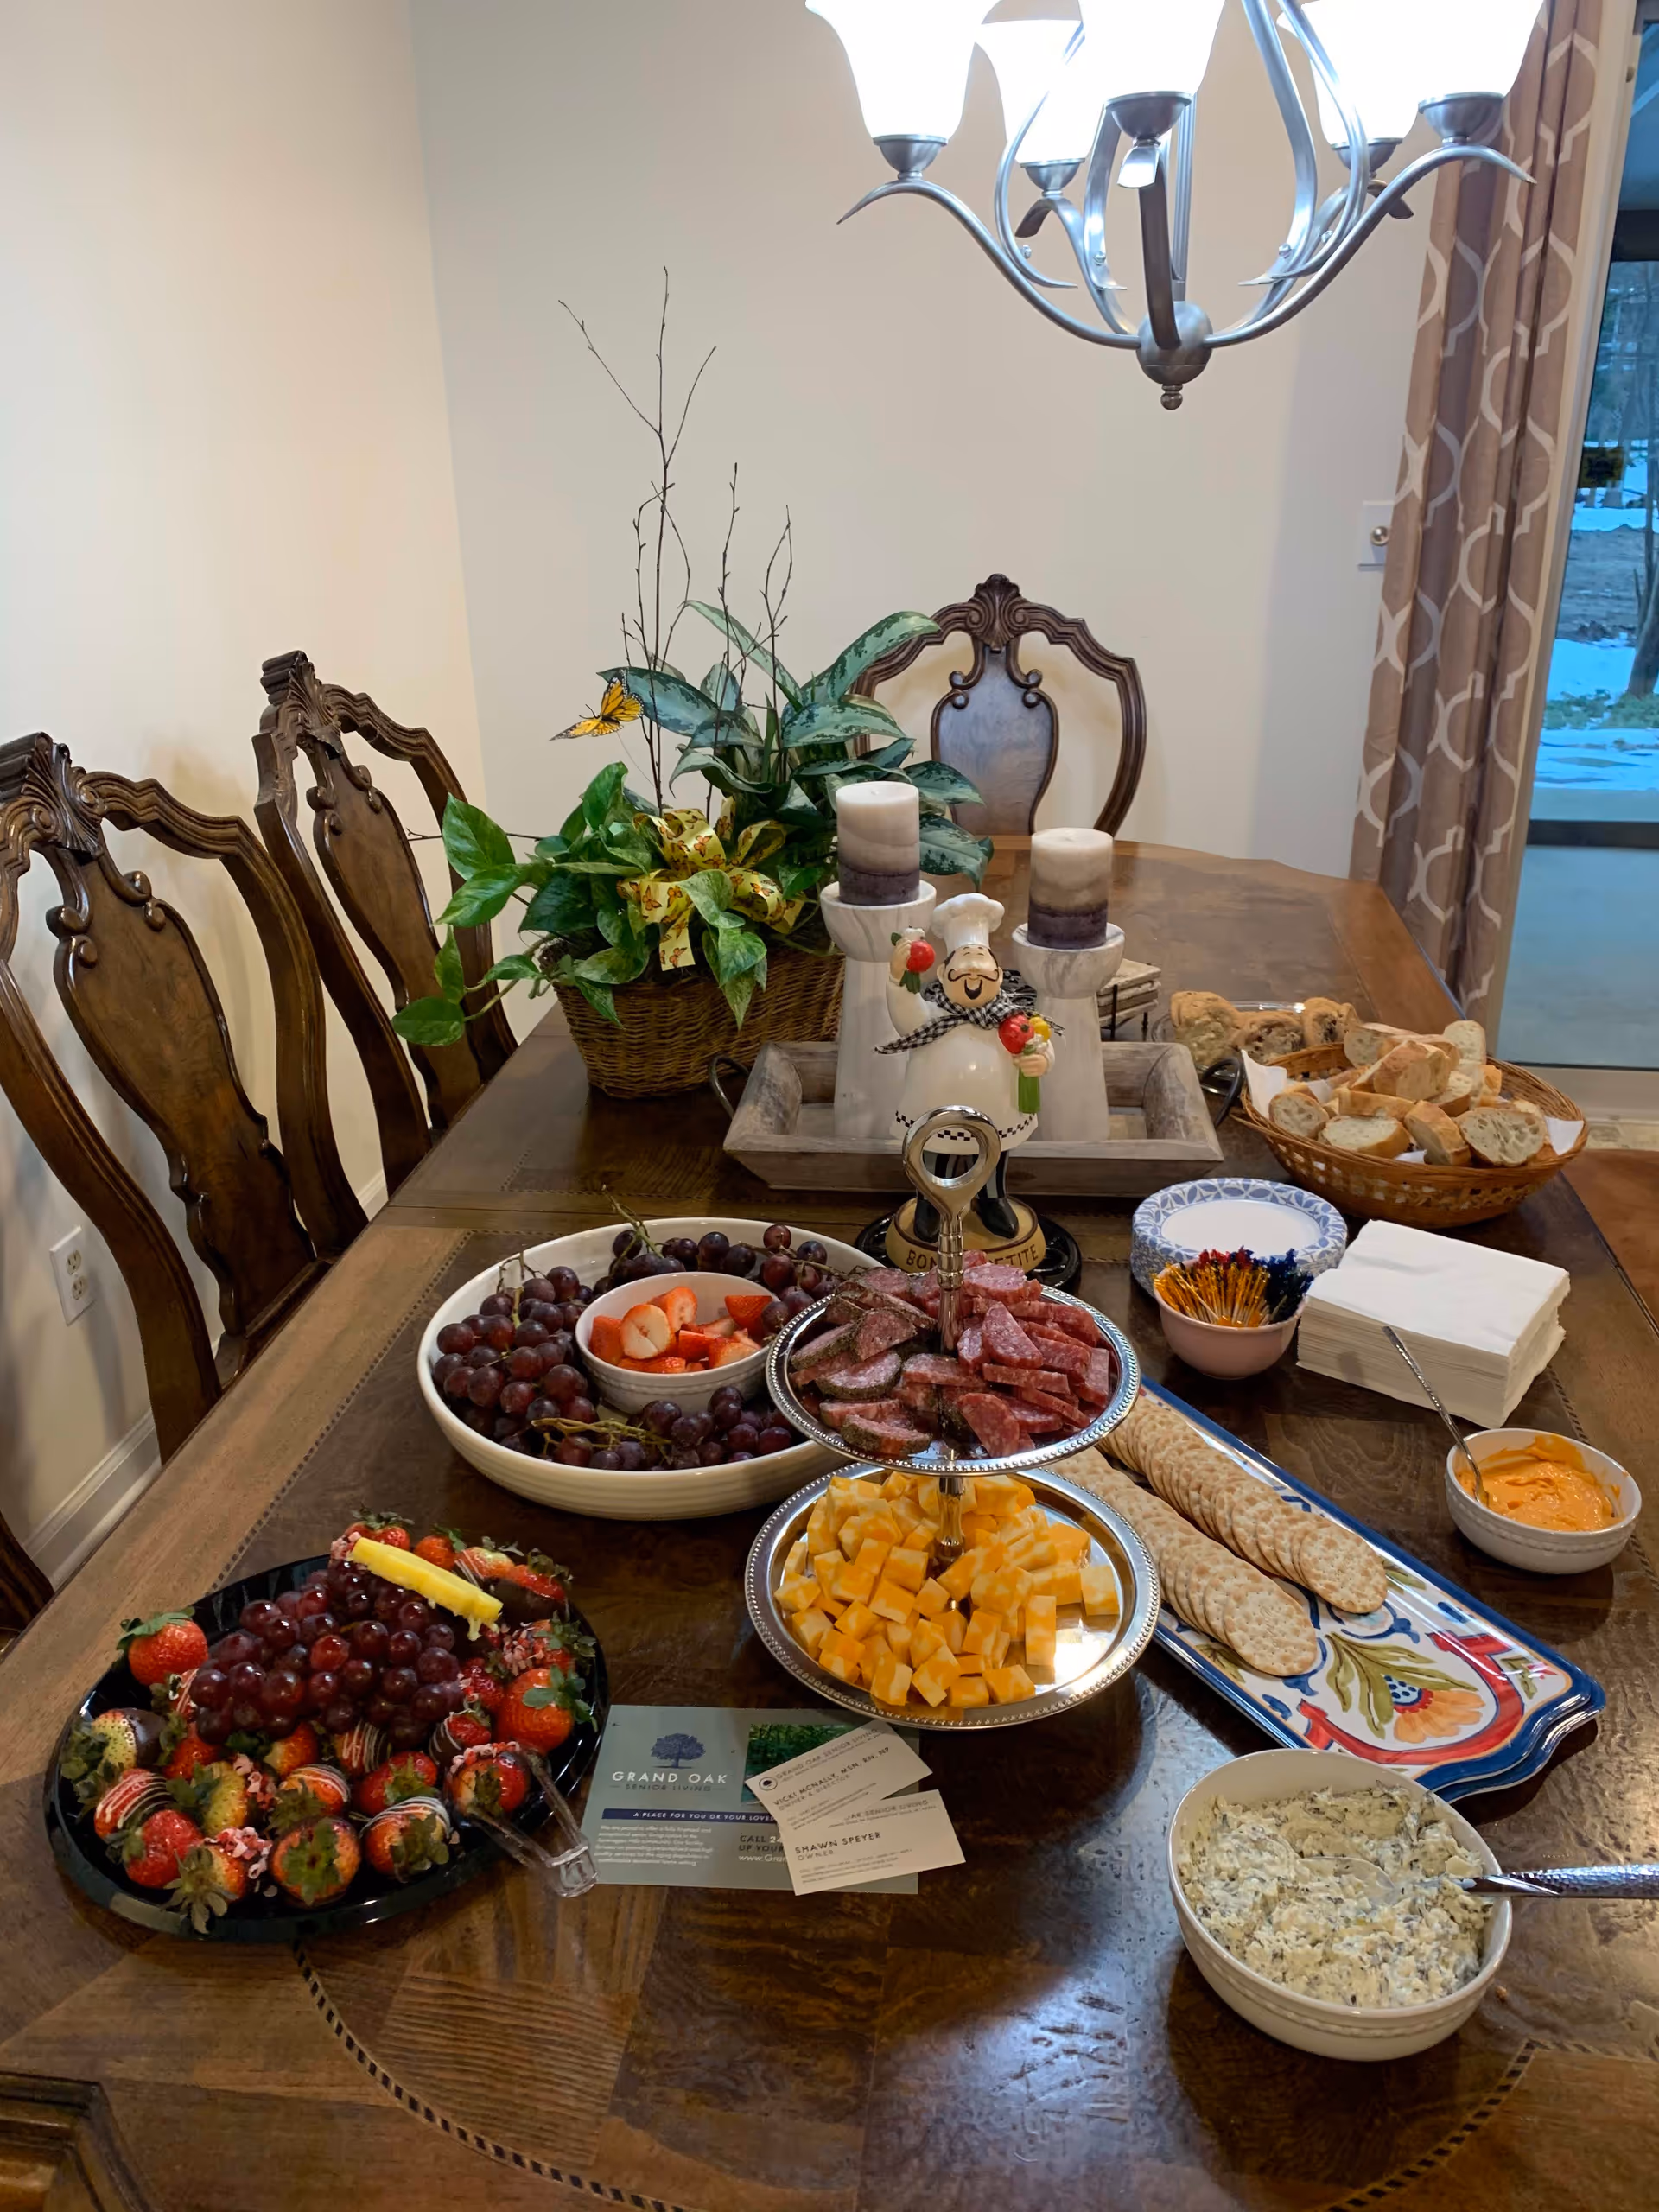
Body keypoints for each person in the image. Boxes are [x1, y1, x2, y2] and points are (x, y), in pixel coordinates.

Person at [882, 892, 1054, 1243]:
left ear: (1000, 975)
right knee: (937, 1156)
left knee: (995, 1155)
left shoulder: (1012, 1017)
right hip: (937, 1112)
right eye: (964, 960)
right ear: (943, 973)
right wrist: (900, 977)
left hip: (1000, 1112)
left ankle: (992, 1200)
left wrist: (1042, 1059)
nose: (974, 969)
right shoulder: (930, 1018)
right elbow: (904, 1010)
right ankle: (932, 1201)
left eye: (982, 959)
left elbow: (1038, 1041)